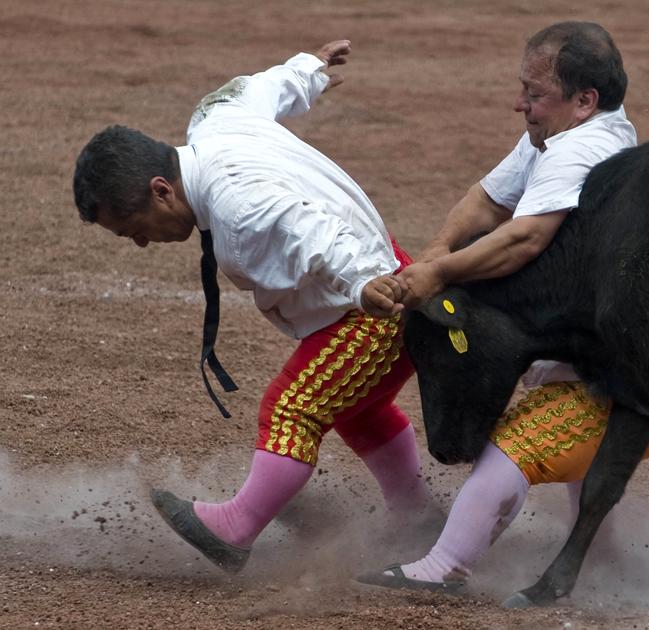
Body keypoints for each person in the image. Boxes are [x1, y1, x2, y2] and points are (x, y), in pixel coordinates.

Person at [72, 40, 436, 574]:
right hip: (384, 275)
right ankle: (418, 518)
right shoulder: (213, 121)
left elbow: (312, 231)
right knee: (358, 409)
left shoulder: (236, 202)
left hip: (373, 302)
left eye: (133, 230)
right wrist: (307, 70)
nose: (142, 244)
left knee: (292, 408)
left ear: (161, 190)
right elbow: (255, 89)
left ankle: (236, 528)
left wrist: (363, 284)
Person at [355, 21, 649, 593]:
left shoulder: (584, 150)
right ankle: (601, 561)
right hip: (617, 352)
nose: (519, 104)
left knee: (514, 447)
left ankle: (444, 567)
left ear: (585, 101)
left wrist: (440, 273)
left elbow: (523, 238)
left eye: (534, 94)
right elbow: (487, 199)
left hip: (647, 377)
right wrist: (432, 255)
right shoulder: (560, 134)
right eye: (523, 88)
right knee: (571, 439)